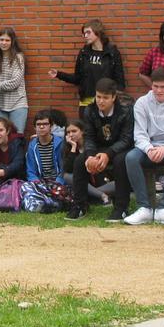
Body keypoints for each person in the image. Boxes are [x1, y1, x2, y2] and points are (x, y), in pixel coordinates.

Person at [122, 67, 164, 227]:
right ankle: (144, 208)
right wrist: (149, 149)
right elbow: (139, 135)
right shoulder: (142, 103)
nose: (159, 90)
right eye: (155, 86)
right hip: (149, 149)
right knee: (131, 157)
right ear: (151, 85)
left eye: (163, 87)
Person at [65, 79, 133, 222]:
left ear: (114, 97)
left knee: (121, 161)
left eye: (105, 98)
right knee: (79, 161)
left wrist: (108, 154)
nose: (101, 101)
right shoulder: (90, 110)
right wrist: (90, 156)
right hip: (98, 149)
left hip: (120, 149)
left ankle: (121, 208)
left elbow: (127, 139)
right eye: (98, 97)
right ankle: (80, 205)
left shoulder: (126, 111)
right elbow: (89, 137)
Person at [49, 20, 125, 111]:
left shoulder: (112, 53)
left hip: (105, 102)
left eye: (88, 32)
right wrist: (59, 74)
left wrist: (114, 101)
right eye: (84, 33)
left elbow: (119, 81)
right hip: (87, 104)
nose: (85, 36)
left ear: (98, 32)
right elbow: (78, 78)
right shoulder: (84, 53)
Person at [61, 119, 114, 206]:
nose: (71, 134)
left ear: (82, 131)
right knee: (67, 176)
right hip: (83, 182)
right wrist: (73, 147)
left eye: (74, 131)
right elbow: (69, 169)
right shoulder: (68, 148)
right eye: (68, 132)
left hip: (100, 180)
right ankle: (102, 196)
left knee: (117, 184)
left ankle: (92, 195)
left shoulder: (92, 145)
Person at [0, 27, 28, 134]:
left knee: (16, 138)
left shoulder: (18, 58)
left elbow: (14, 83)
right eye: (1, 40)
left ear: (12, 42)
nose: (4, 43)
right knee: (0, 138)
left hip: (18, 104)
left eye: (7, 40)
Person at [24, 110, 64, 183]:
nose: (41, 127)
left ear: (51, 126)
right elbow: (30, 171)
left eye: (45, 124)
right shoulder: (32, 146)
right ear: (34, 127)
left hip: (58, 182)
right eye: (38, 124)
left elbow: (63, 169)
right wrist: (37, 183)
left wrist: (57, 183)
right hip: (40, 182)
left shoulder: (60, 143)